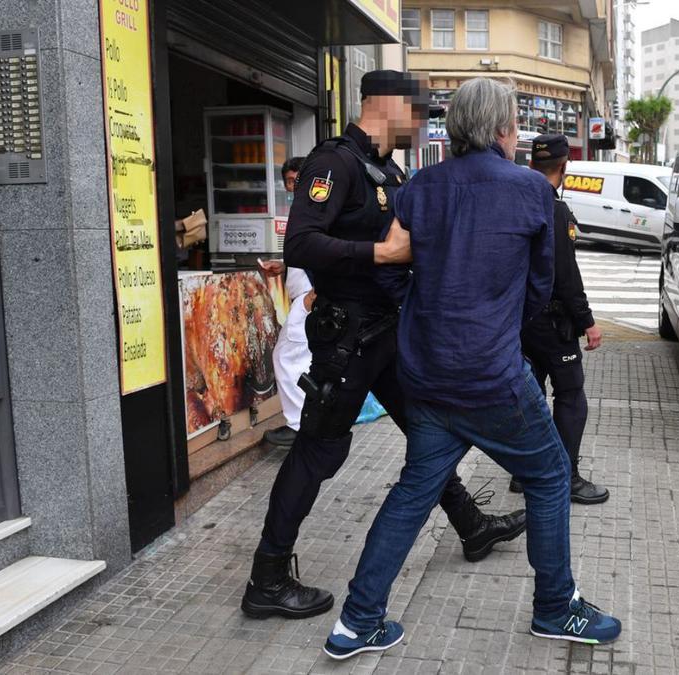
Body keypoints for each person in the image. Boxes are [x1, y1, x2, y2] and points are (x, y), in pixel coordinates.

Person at [323, 77, 621, 660]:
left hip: (427, 374)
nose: (516, 134)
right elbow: (540, 285)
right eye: (513, 125)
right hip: (492, 376)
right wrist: (499, 322)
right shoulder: (532, 191)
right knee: (552, 475)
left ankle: (356, 623)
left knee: (414, 489)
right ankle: (556, 607)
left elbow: (388, 264)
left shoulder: (421, 187)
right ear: (502, 129)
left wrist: (419, 309)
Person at [241, 70, 526, 622]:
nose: (421, 124)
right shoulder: (336, 161)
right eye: (416, 111)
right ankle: (267, 578)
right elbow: (300, 242)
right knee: (319, 451)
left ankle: (470, 525)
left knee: (431, 432)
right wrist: (380, 256)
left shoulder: (388, 170)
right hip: (347, 341)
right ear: (387, 103)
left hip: (387, 334)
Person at [509, 134, 607, 504]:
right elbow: (566, 275)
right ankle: (566, 476)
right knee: (571, 394)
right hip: (553, 324)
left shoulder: (517, 202)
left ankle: (524, 472)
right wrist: (588, 322)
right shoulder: (556, 210)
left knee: (530, 395)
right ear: (564, 168)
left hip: (520, 321)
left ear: (532, 164)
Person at [260, 156, 316, 448]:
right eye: (289, 181)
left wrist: (313, 295)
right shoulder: (303, 207)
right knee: (298, 360)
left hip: (309, 298)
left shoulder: (315, 208)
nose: (293, 186)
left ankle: (299, 427)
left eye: (297, 180)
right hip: (305, 296)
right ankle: (308, 424)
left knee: (286, 357)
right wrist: (284, 266)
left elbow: (325, 251)